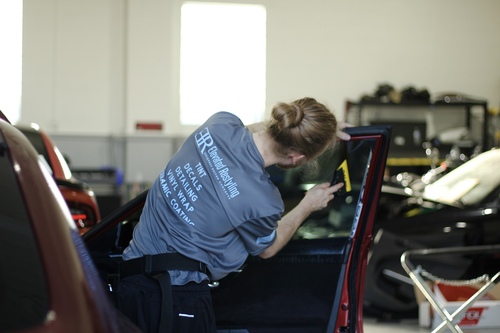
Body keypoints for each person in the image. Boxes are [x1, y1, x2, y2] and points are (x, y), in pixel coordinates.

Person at [117, 97, 351, 333]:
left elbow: (251, 131)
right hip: (175, 299)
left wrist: (309, 130)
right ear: (298, 158)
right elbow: (268, 248)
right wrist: (307, 205)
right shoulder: (263, 201)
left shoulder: (219, 123)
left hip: (130, 279)